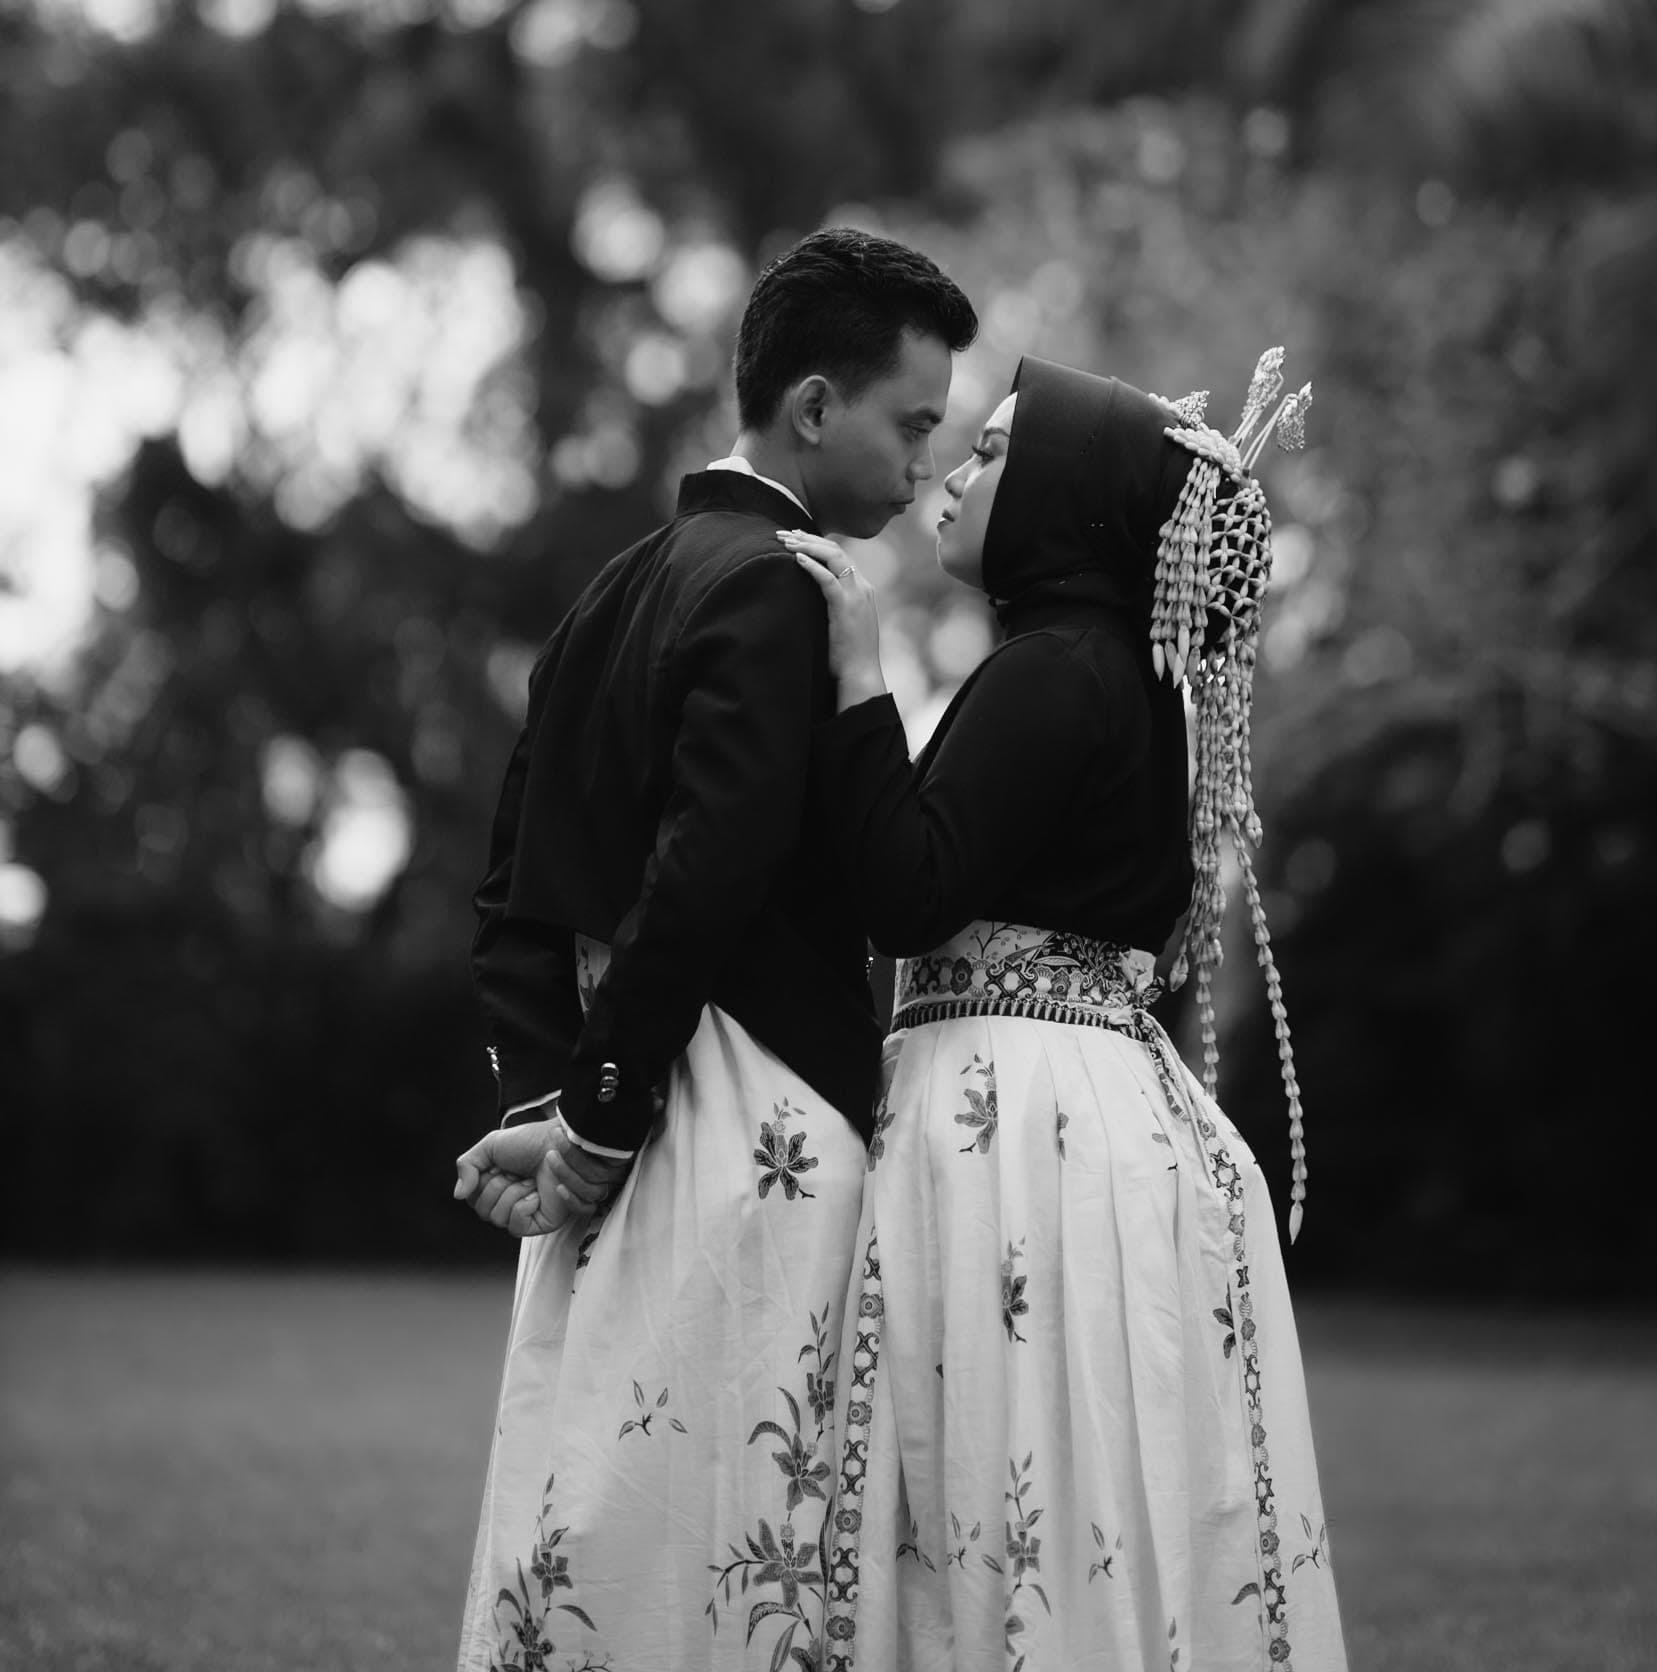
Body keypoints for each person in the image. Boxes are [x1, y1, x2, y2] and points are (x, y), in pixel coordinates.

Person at [452, 227, 979, 1672]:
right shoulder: (775, 585)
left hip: (624, 1102)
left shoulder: (613, 589)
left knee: (605, 1512)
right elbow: (710, 871)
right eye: (912, 425)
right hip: (744, 1123)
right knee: (739, 1530)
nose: (925, 466)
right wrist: (599, 1121)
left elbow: (512, 886)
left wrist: (549, 1095)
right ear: (812, 407)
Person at [780, 349, 1348, 1672]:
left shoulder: (1051, 671)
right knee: (1081, 1480)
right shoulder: (1129, 687)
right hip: (1096, 1106)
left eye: (993, 452)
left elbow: (907, 896)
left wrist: (859, 676)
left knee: (997, 1479)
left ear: (1066, 500)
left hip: (1015, 1117)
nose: (953, 470)